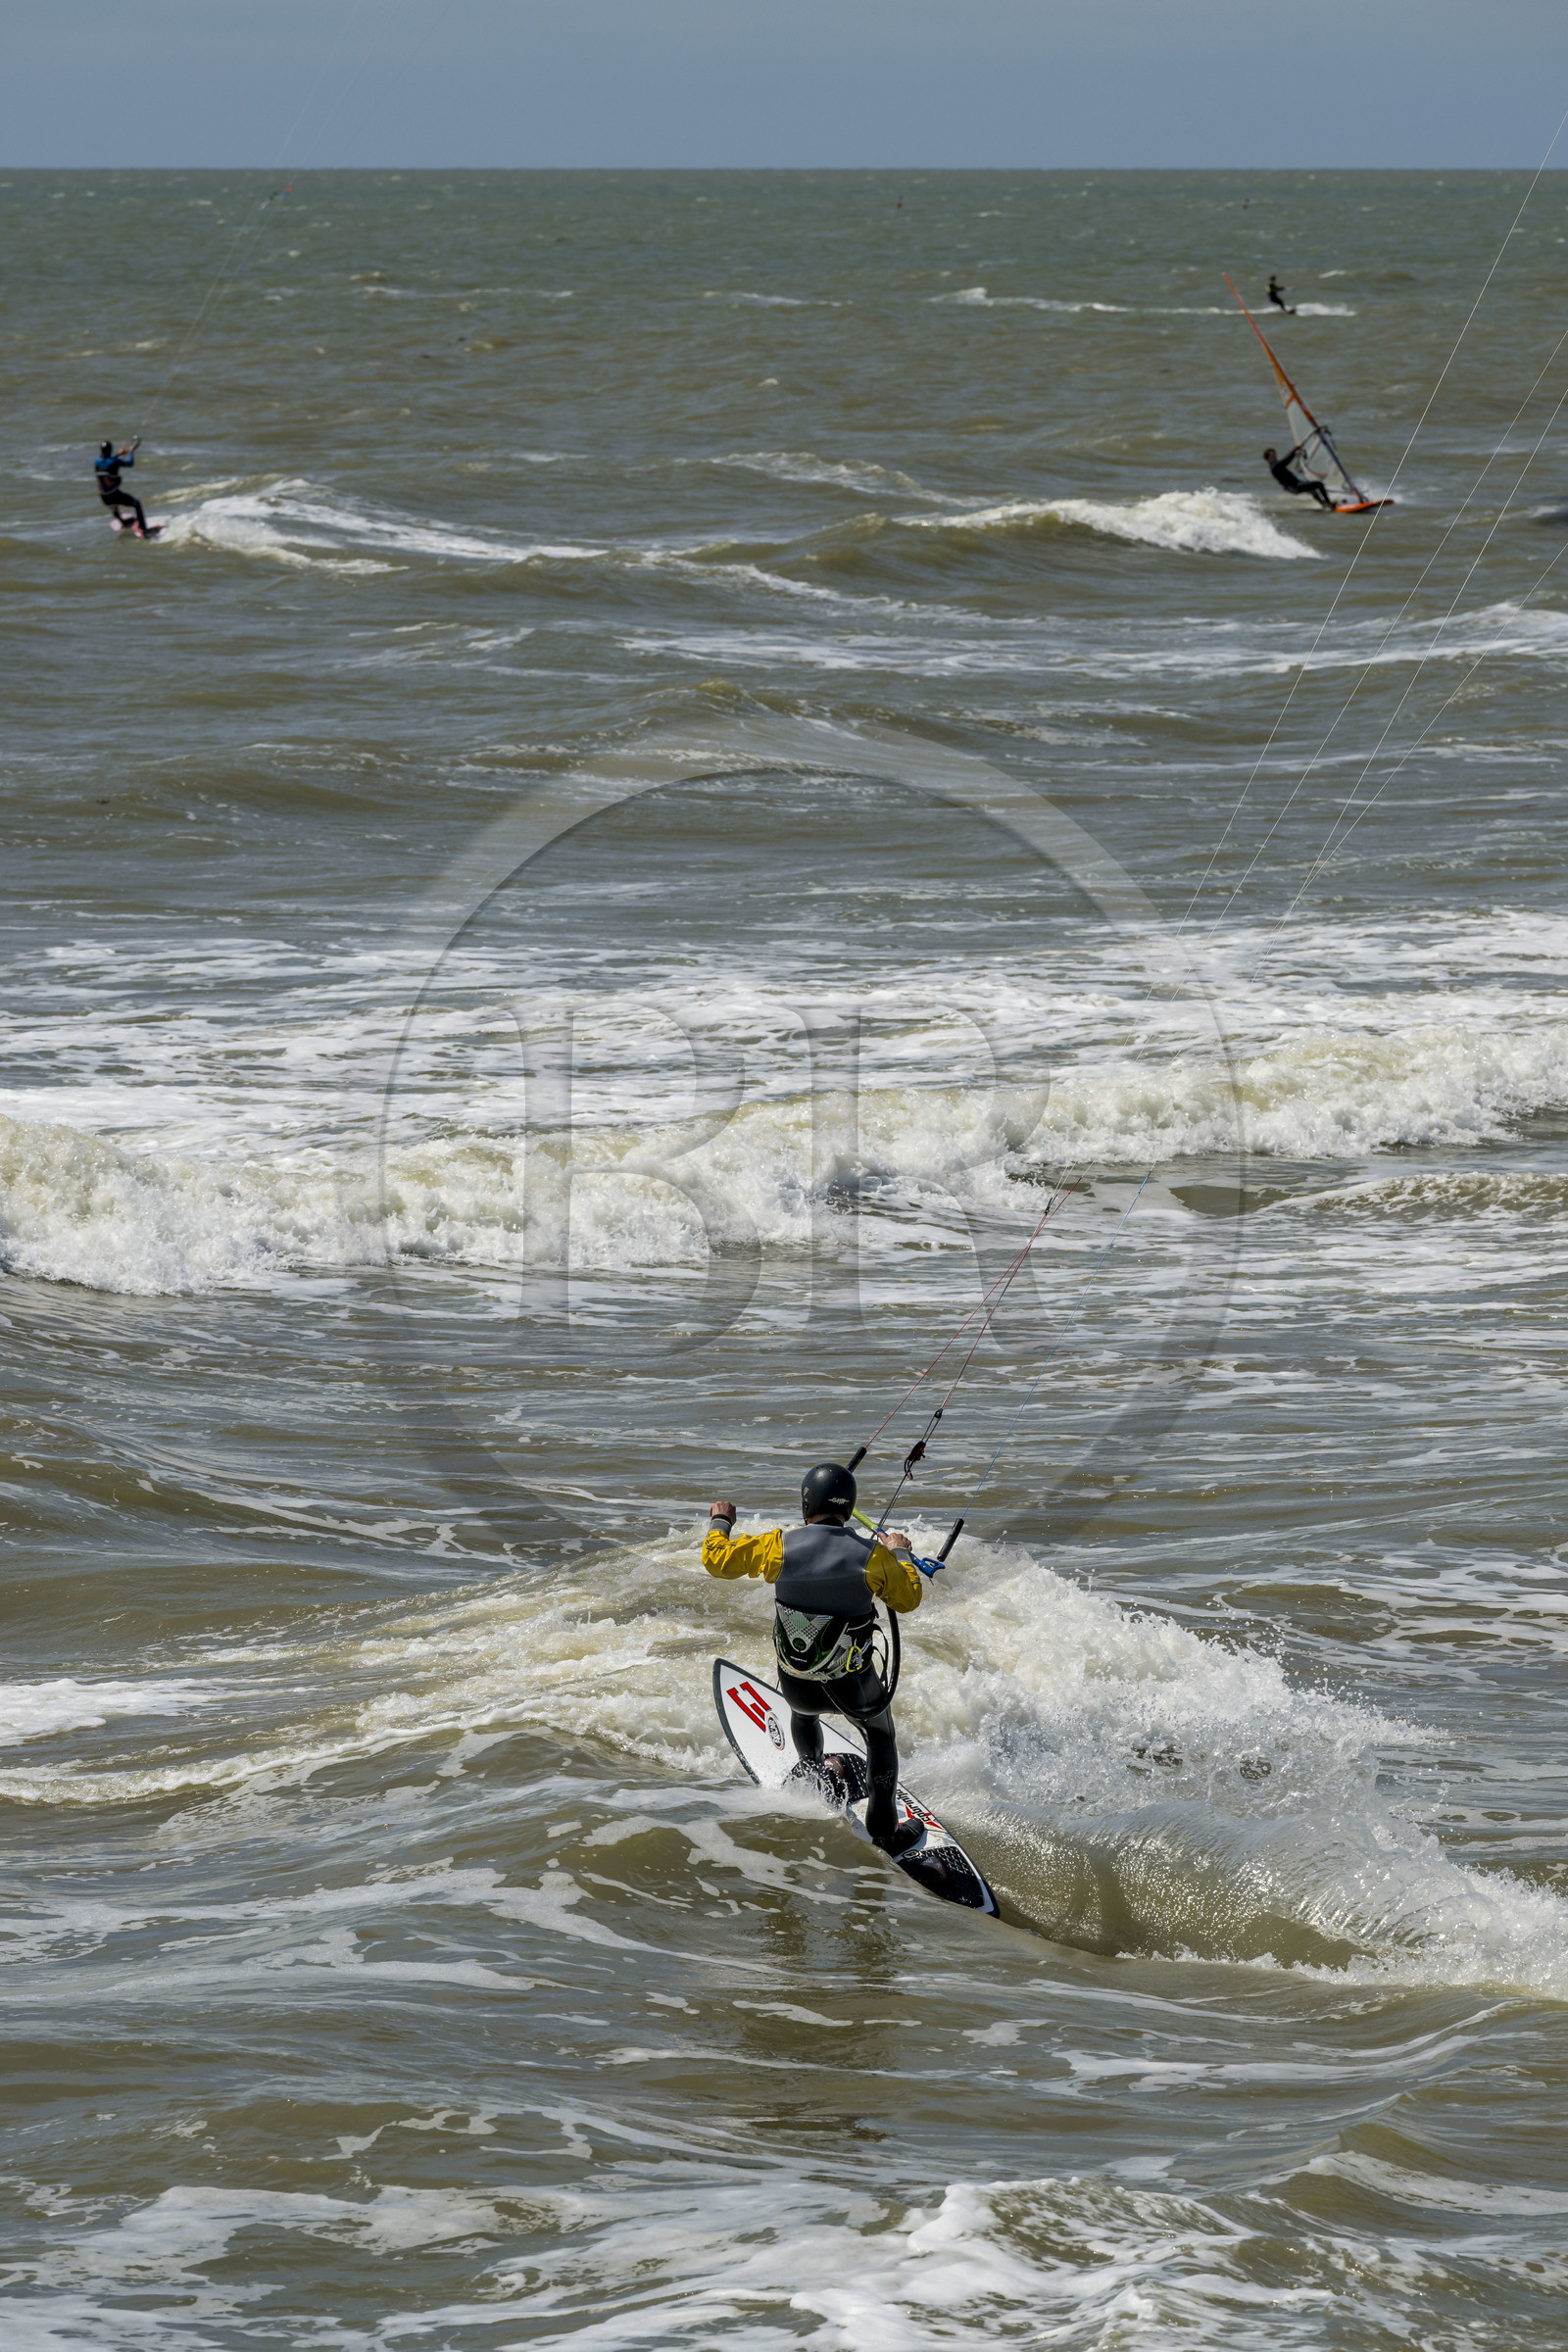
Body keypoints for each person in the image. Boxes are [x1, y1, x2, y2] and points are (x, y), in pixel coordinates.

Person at [704, 1460, 927, 1857]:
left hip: (798, 1688)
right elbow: (908, 1600)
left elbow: (716, 1560)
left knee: (803, 1714)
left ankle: (814, 1776)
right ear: (848, 1506)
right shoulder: (873, 1557)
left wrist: (721, 1521)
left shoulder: (778, 1546)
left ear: (807, 1506)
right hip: (855, 1691)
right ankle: (883, 1829)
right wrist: (902, 1555)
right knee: (880, 1736)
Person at [95, 438, 148, 536]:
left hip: (104, 498)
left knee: (113, 506)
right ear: (110, 450)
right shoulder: (114, 462)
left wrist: (119, 454)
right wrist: (131, 452)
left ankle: (121, 521)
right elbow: (130, 463)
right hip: (114, 495)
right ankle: (144, 528)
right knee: (137, 504)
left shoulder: (97, 462)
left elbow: (108, 462)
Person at [1264, 445, 1335, 511]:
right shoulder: (1274, 467)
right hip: (1295, 487)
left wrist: (1295, 451)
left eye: (1275, 454)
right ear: (1268, 459)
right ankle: (1329, 503)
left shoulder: (1276, 465)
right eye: (1273, 456)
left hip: (1296, 484)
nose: (1275, 456)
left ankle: (1324, 504)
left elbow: (1285, 461)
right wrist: (1295, 449)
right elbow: (1286, 460)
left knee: (1313, 491)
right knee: (1319, 484)